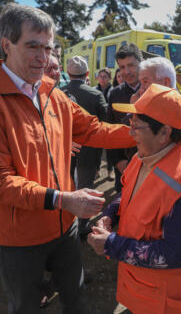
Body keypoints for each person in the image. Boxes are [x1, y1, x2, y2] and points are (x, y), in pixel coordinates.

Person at [0, 3, 135, 313]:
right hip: (18, 238)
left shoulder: (51, 91)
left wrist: (139, 132)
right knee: (27, 306)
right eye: (32, 46)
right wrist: (63, 199)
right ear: (7, 44)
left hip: (63, 227)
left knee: (77, 300)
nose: (43, 57)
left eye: (48, 48)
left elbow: (92, 129)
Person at [88, 83, 181, 314]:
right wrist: (109, 214)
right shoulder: (144, 155)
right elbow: (128, 194)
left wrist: (111, 244)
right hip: (144, 292)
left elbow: (177, 253)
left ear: (165, 132)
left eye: (137, 126)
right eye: (130, 122)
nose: (130, 131)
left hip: (168, 302)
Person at [64, 55, 108, 240]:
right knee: (86, 186)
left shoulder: (59, 92)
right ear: (88, 73)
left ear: (67, 73)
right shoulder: (96, 94)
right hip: (89, 149)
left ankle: (66, 223)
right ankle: (82, 225)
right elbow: (104, 122)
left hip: (65, 148)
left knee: (66, 185)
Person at [107, 43, 143, 192]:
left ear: (141, 64)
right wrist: (118, 162)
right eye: (121, 67)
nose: (126, 72)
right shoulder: (115, 94)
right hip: (125, 165)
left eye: (131, 65)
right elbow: (110, 129)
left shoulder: (154, 89)